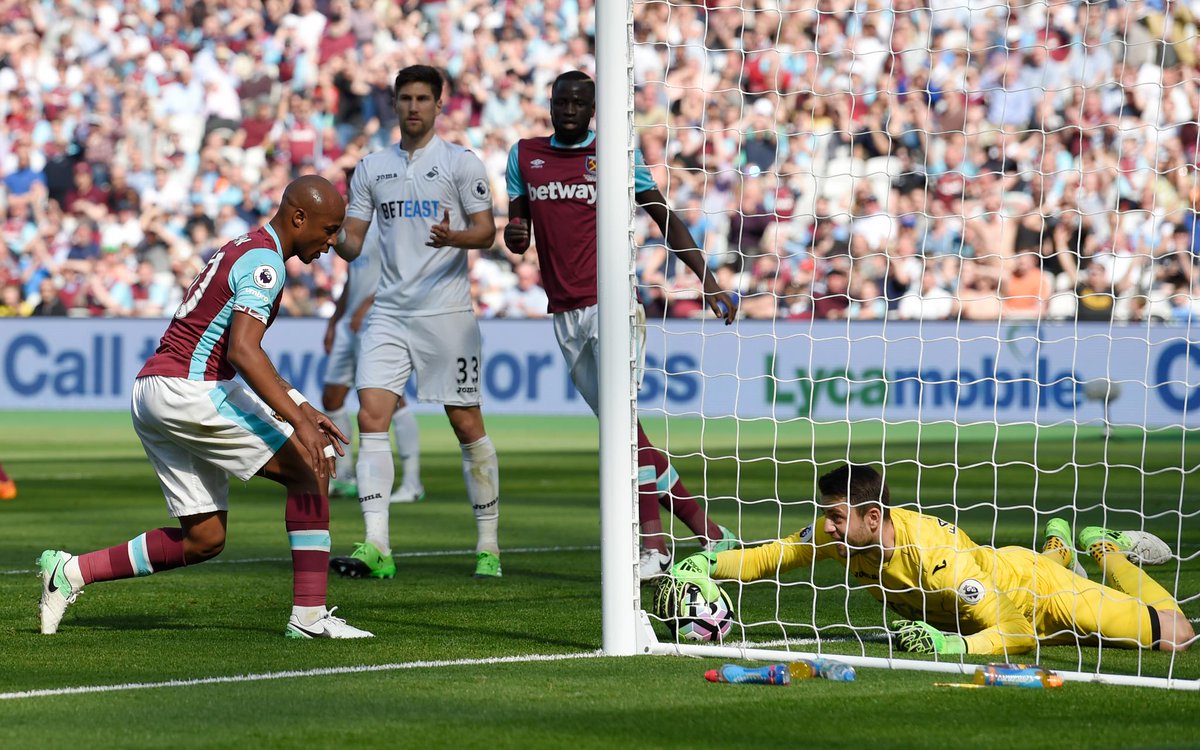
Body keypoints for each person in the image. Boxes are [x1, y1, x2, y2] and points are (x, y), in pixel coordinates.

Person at [38, 175, 373, 639]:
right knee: (311, 468)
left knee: (204, 539)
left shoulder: (245, 246)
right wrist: (300, 423)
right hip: (189, 390)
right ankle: (310, 617)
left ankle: (70, 572)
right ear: (299, 218)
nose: (333, 241)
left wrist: (299, 404)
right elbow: (244, 352)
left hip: (154, 391)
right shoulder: (265, 264)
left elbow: (243, 351)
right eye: (330, 229)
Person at [504, 70, 740, 580]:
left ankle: (654, 548)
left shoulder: (614, 153)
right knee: (627, 430)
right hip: (564, 310)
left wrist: (708, 280)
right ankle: (711, 533)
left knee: (623, 428)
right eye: (561, 101)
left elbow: (663, 215)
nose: (569, 110)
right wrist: (515, 235)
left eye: (579, 102)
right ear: (551, 104)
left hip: (614, 303)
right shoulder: (524, 156)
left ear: (593, 109)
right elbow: (517, 228)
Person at [669, 464, 1192, 655]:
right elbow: (773, 556)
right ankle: (1058, 545)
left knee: (1176, 635)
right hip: (999, 585)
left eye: (835, 516)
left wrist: (951, 644)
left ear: (873, 517)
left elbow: (1015, 631)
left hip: (1039, 596)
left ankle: (1102, 548)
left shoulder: (938, 559)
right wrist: (706, 564)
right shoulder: (844, 536)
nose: (825, 526)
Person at [329, 65, 501, 580]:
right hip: (389, 311)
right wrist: (329, 234)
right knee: (370, 417)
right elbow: (353, 241)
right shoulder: (372, 167)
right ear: (394, 104)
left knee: (466, 423)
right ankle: (377, 544)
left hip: (447, 313)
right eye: (405, 98)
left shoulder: (460, 163)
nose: (413, 107)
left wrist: (455, 238)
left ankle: (488, 545)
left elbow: (486, 232)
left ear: (439, 105)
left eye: (423, 98)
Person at [322, 220, 424, 503]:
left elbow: (403, 274)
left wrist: (365, 306)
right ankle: (344, 476)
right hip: (349, 323)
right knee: (331, 397)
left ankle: (413, 482)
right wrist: (333, 321)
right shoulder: (352, 229)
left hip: (379, 320)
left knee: (392, 398)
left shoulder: (388, 226)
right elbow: (353, 280)